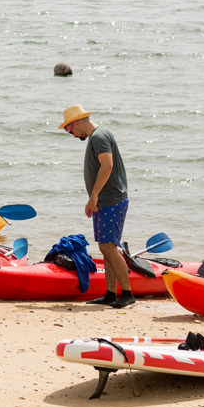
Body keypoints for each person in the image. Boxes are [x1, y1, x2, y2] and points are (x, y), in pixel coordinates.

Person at [60, 105, 133, 308]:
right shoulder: (98, 135)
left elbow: (107, 165)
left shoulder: (99, 137)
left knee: (108, 247)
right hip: (105, 200)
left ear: (77, 122)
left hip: (111, 199)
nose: (71, 134)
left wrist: (94, 195)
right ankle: (110, 293)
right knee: (105, 247)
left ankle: (127, 293)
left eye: (69, 129)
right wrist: (94, 199)